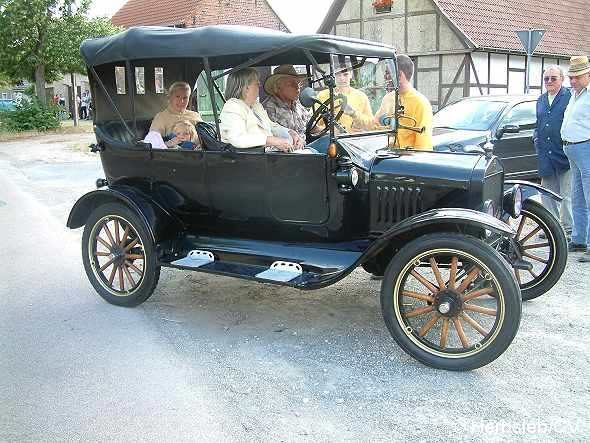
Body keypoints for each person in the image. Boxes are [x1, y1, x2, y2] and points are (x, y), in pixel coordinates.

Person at [219, 67, 304, 152]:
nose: (259, 87)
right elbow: (238, 138)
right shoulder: (233, 106)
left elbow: (271, 126)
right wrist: (272, 140)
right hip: (251, 160)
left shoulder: (256, 106)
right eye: (257, 84)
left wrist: (290, 132)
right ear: (246, 88)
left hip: (268, 156)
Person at [533, 65, 572, 240]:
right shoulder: (541, 99)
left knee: (567, 194)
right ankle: (551, 226)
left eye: (553, 78)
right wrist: (536, 139)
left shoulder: (569, 97)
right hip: (545, 154)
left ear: (561, 79)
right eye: (546, 79)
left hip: (563, 153)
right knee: (547, 193)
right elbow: (538, 122)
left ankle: (567, 229)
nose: (549, 82)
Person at [561, 55, 590, 262]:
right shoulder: (574, 94)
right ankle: (579, 239)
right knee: (578, 198)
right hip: (572, 148)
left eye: (577, 77)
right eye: (571, 77)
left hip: (586, 147)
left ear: (588, 75)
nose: (573, 81)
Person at [374, 54, 433, 150]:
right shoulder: (388, 98)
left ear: (399, 75)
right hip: (387, 157)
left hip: (407, 160)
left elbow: (423, 145)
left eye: (388, 73)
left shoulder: (421, 103)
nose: (385, 77)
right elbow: (374, 126)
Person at [315, 65, 374, 132]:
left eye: (345, 74)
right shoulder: (323, 95)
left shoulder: (361, 96)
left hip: (352, 140)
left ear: (351, 75)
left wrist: (354, 114)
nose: (342, 79)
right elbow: (312, 124)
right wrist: (325, 116)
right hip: (329, 140)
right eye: (338, 75)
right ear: (333, 76)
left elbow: (371, 125)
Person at [262, 65, 311, 141]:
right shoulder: (269, 108)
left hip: (305, 147)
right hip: (287, 151)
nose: (297, 88)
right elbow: (271, 137)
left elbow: (313, 127)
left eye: (298, 84)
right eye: (291, 84)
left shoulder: (298, 106)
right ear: (277, 87)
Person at [150, 81, 202, 149]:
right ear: (170, 98)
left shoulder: (195, 115)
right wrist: (169, 144)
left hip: (202, 153)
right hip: (176, 156)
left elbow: (206, 135)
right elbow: (152, 142)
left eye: (185, 98)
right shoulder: (161, 117)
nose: (181, 101)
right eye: (178, 97)